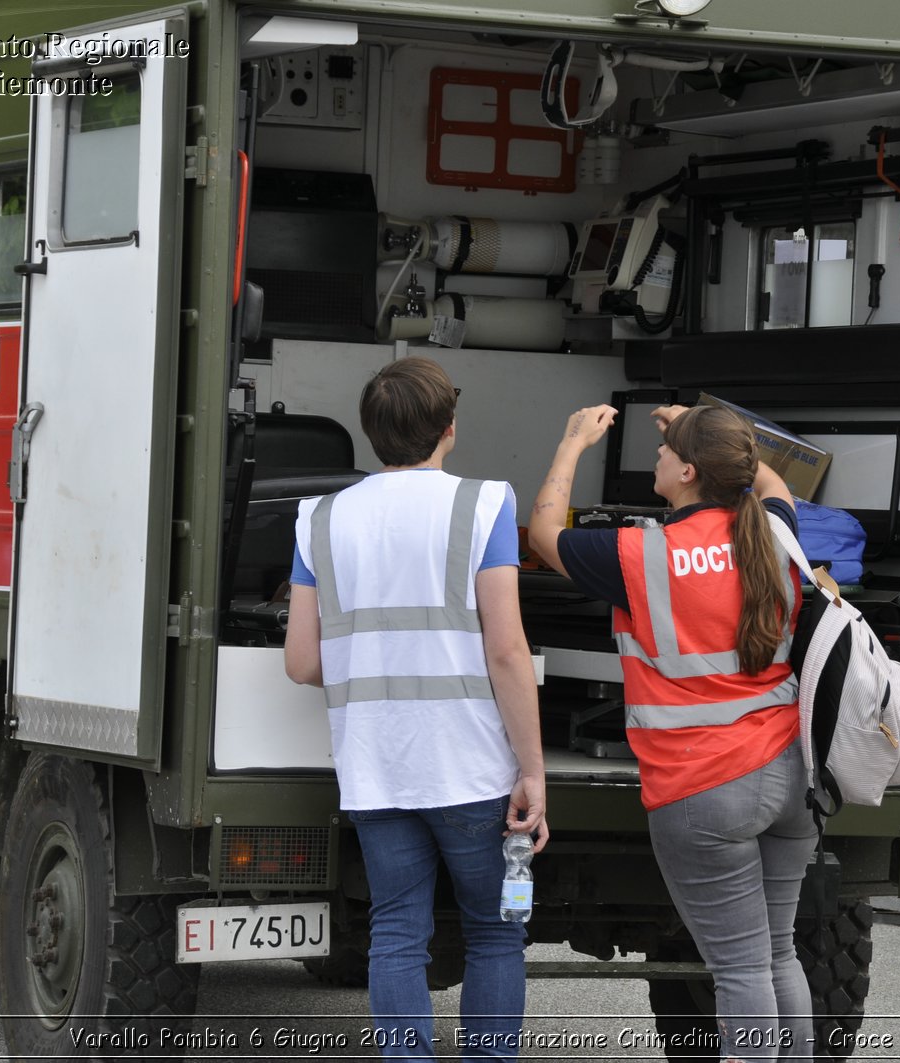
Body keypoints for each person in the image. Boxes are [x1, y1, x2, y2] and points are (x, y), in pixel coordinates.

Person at [529, 402, 814, 1062]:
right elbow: (774, 485)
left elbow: (544, 532)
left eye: (666, 450)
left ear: (686, 471)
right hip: (789, 775)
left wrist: (574, 443)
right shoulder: (773, 533)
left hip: (705, 785)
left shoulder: (641, 553)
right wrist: (722, 437)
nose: (653, 455)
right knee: (778, 953)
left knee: (741, 970)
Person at [284, 356, 547, 1061]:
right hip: (469, 765)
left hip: (375, 763)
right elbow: (507, 651)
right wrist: (533, 769)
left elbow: (303, 661)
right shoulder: (486, 503)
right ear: (449, 430)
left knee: (397, 930)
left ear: (370, 433)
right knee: (495, 929)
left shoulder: (320, 517)